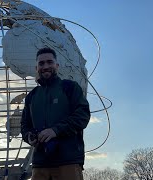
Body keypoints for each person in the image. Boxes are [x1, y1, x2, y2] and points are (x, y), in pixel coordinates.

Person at [21, 47, 91, 180]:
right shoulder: (32, 96)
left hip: (68, 162)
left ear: (57, 65)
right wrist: (29, 136)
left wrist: (55, 130)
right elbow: (24, 125)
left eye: (49, 62)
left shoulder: (70, 87)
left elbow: (82, 116)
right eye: (41, 63)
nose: (45, 66)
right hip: (40, 165)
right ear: (36, 68)